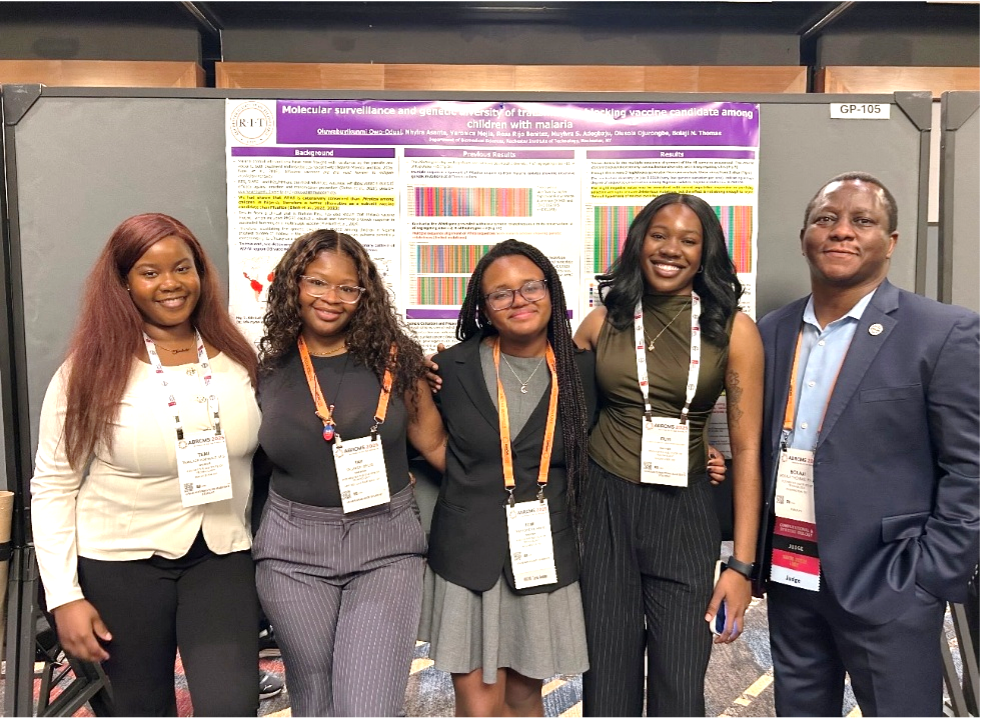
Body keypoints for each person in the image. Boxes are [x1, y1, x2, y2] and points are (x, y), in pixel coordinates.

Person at [753, 172, 980, 717]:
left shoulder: (941, 332)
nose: (842, 231)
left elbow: (970, 467)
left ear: (891, 241)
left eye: (863, 221)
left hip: (891, 580)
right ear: (804, 237)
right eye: (826, 219)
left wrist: (931, 575)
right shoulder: (770, 332)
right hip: (791, 572)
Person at [30, 213, 262, 717]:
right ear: (124, 284)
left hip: (220, 555)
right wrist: (64, 596)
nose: (170, 284)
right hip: (120, 565)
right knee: (141, 709)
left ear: (200, 273)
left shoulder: (239, 359)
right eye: (149, 272)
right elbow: (52, 485)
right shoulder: (88, 371)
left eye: (182, 268)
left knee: (232, 706)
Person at [573, 193, 764, 718]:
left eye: (688, 240)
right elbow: (558, 411)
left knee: (680, 684)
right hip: (605, 508)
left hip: (685, 512)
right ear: (640, 242)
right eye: (659, 235)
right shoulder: (599, 323)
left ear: (705, 254)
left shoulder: (734, 329)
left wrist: (741, 566)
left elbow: (748, 451)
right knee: (606, 684)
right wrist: (454, 366)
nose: (670, 249)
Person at [252, 228, 447, 718]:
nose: (331, 298)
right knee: (314, 701)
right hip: (292, 553)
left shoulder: (399, 361)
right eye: (317, 282)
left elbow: (437, 446)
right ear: (294, 284)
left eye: (347, 288)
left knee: (367, 706)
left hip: (385, 546)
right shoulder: (266, 368)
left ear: (365, 295)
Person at [418, 239, 595, 717]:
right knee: (479, 704)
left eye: (530, 287)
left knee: (524, 697)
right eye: (501, 293)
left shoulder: (583, 371)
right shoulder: (449, 368)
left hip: (543, 552)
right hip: (468, 552)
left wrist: (703, 452)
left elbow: (619, 433)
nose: (519, 300)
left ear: (551, 291)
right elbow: (431, 444)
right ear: (483, 306)